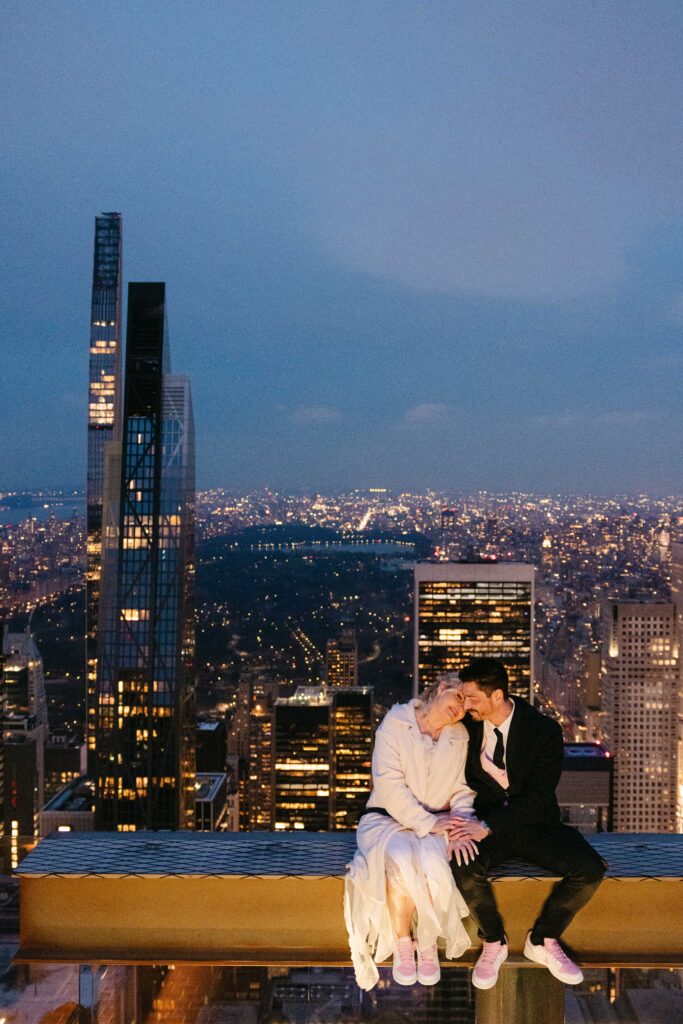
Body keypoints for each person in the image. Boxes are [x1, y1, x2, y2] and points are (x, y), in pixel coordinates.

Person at [448, 657, 607, 991]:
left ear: (496, 695)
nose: (466, 705)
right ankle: (493, 940)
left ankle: (544, 938)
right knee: (462, 867)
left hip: (535, 826)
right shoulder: (465, 728)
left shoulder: (543, 731)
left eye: (472, 698)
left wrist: (488, 825)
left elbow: (538, 796)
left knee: (590, 869)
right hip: (487, 828)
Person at [344, 674, 477, 991]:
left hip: (438, 822)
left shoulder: (460, 737)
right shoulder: (395, 724)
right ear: (441, 689)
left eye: (467, 705)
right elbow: (389, 787)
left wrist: (462, 822)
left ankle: (428, 942)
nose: (461, 709)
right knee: (402, 855)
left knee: (433, 858)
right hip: (387, 819)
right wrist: (428, 822)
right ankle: (405, 941)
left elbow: (462, 789)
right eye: (458, 698)